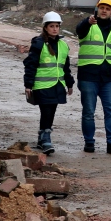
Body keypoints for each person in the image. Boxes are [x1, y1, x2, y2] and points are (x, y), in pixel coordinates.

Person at [76, 0, 111, 154]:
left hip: (108, 77)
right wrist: (87, 21)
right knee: (89, 112)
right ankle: (89, 142)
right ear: (97, 9)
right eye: (102, 8)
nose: (104, 11)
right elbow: (79, 30)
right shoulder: (88, 25)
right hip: (88, 76)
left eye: (108, 9)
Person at [23, 11, 74, 155]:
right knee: (46, 111)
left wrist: (69, 83)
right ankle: (46, 138)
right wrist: (28, 84)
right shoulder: (39, 44)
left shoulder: (63, 45)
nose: (55, 29)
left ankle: (42, 138)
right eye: (51, 26)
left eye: (57, 26)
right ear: (45, 27)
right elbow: (30, 64)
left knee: (51, 112)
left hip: (57, 85)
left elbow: (65, 67)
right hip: (42, 85)